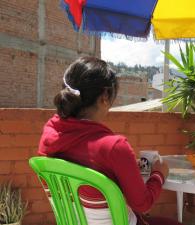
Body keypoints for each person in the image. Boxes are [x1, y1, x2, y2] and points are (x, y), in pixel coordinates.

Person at [38, 56, 183, 225]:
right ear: (105, 96)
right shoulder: (114, 147)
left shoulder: (49, 136)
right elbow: (143, 204)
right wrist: (159, 174)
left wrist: (123, 168)